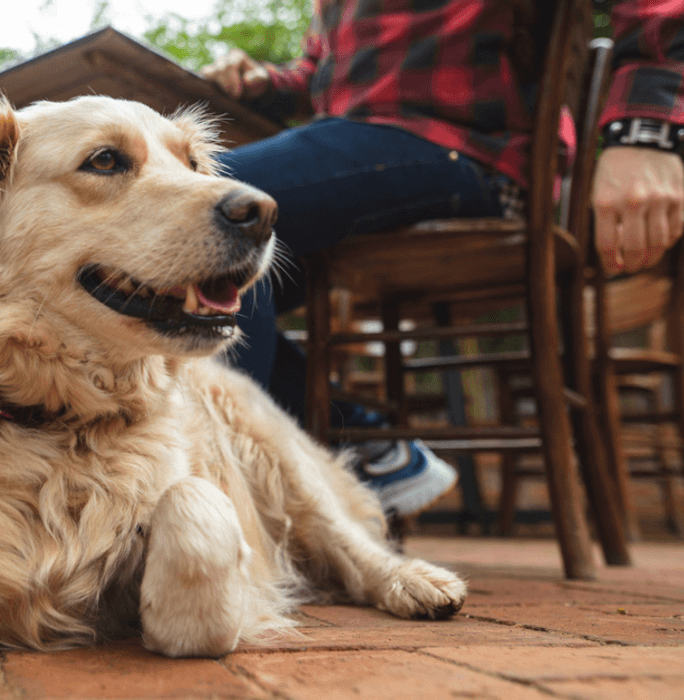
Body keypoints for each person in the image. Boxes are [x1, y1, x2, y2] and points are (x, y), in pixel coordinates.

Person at [198, 0, 684, 517]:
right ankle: (361, 445)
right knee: (198, 254)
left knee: (205, 205)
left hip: (471, 152)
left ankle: (224, 511)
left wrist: (647, 131)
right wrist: (259, 81)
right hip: (358, 144)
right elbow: (318, 78)